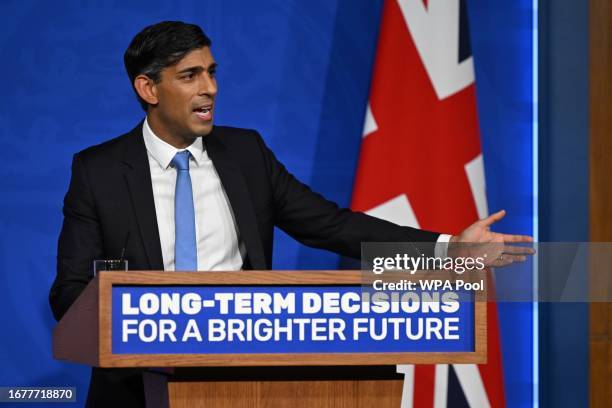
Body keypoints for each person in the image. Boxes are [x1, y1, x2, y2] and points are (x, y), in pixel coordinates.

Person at [49, 21, 532, 407]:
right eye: (190, 75)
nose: (210, 88)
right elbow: (69, 290)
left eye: (212, 72)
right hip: (138, 389)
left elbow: (333, 226)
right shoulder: (100, 171)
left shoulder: (245, 153)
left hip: (245, 381)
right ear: (148, 88)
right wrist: (129, 324)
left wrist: (449, 249)